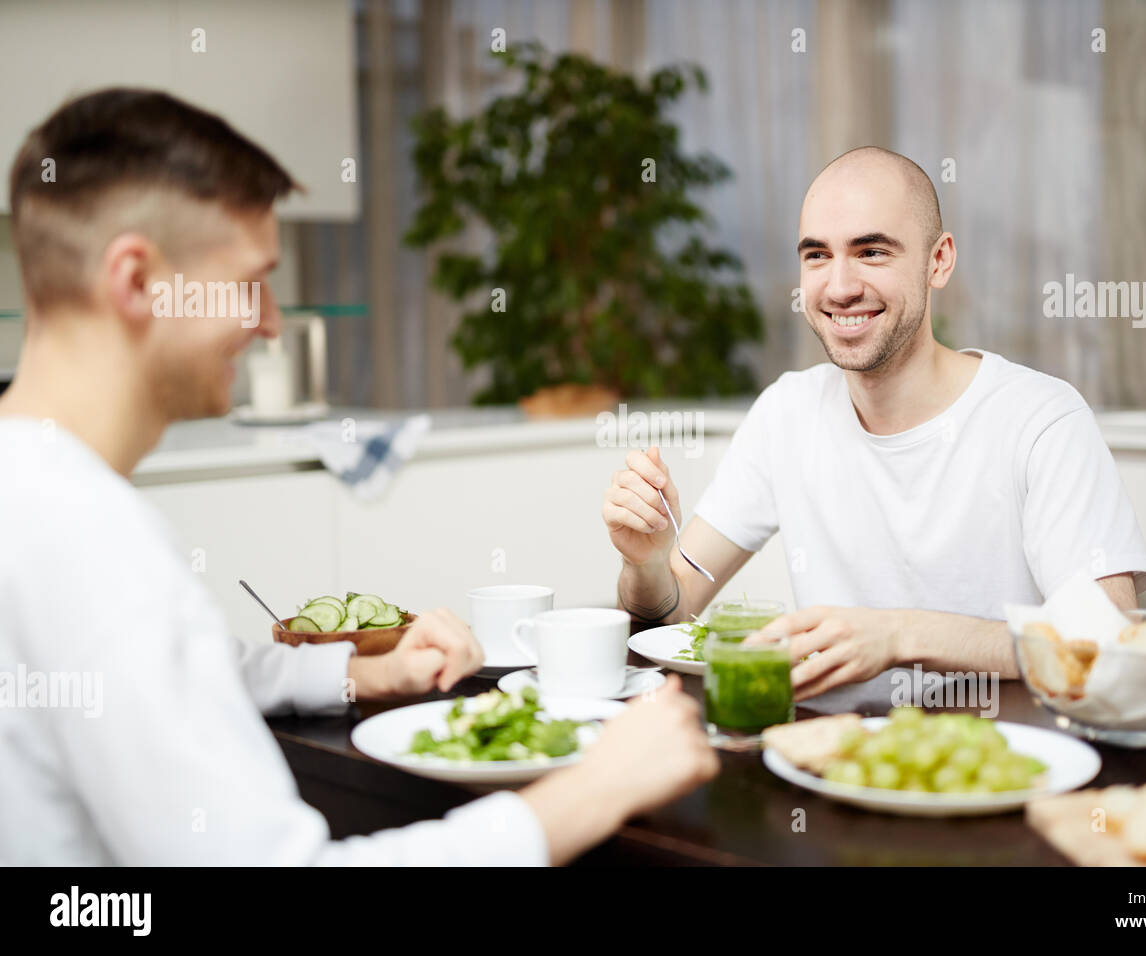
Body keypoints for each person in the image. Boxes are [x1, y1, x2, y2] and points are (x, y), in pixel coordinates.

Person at [0, 88, 717, 866]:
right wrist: (596, 789)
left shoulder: (33, 488)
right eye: (251, 281)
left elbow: (170, 671)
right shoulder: (88, 540)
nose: (270, 321)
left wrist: (356, 671)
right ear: (137, 282)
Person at [604, 146, 1146, 701]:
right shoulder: (787, 412)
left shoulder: (1041, 419)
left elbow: (1108, 644)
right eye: (817, 255)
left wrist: (898, 633)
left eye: (871, 252)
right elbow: (673, 610)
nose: (840, 286)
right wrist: (645, 566)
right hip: (827, 760)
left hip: (999, 763)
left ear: (938, 261)